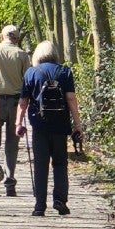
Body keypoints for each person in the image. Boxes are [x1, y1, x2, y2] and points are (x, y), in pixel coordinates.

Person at [21, 38, 84, 215]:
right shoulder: (65, 71)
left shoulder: (31, 72)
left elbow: (23, 102)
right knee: (60, 163)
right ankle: (60, 200)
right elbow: (71, 98)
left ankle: (39, 205)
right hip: (60, 125)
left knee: (40, 165)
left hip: (39, 126)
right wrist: (77, 125)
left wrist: (19, 123)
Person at [0, 24, 32, 195]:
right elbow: (27, 81)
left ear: (1, 35)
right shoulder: (22, 55)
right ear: (17, 38)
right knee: (12, 143)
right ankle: (10, 180)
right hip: (15, 101)